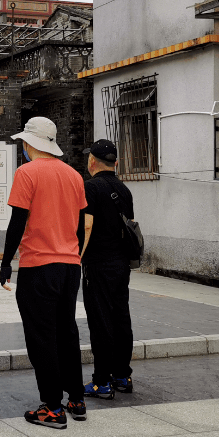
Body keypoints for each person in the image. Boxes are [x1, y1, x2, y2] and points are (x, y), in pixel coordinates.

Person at [0, 117, 88, 429]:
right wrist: (72, 252)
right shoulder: (74, 175)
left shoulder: (27, 172)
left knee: (42, 336)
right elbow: (78, 224)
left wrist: (6, 261)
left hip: (38, 266)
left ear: (29, 143)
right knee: (67, 331)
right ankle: (76, 398)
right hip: (69, 265)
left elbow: (18, 222)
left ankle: (51, 407)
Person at [80, 139, 136, 400]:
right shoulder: (124, 190)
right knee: (120, 317)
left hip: (98, 264)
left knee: (100, 321)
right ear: (115, 162)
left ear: (92, 161)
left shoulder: (90, 188)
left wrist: (79, 257)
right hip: (121, 263)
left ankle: (101, 382)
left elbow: (87, 226)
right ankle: (122, 376)